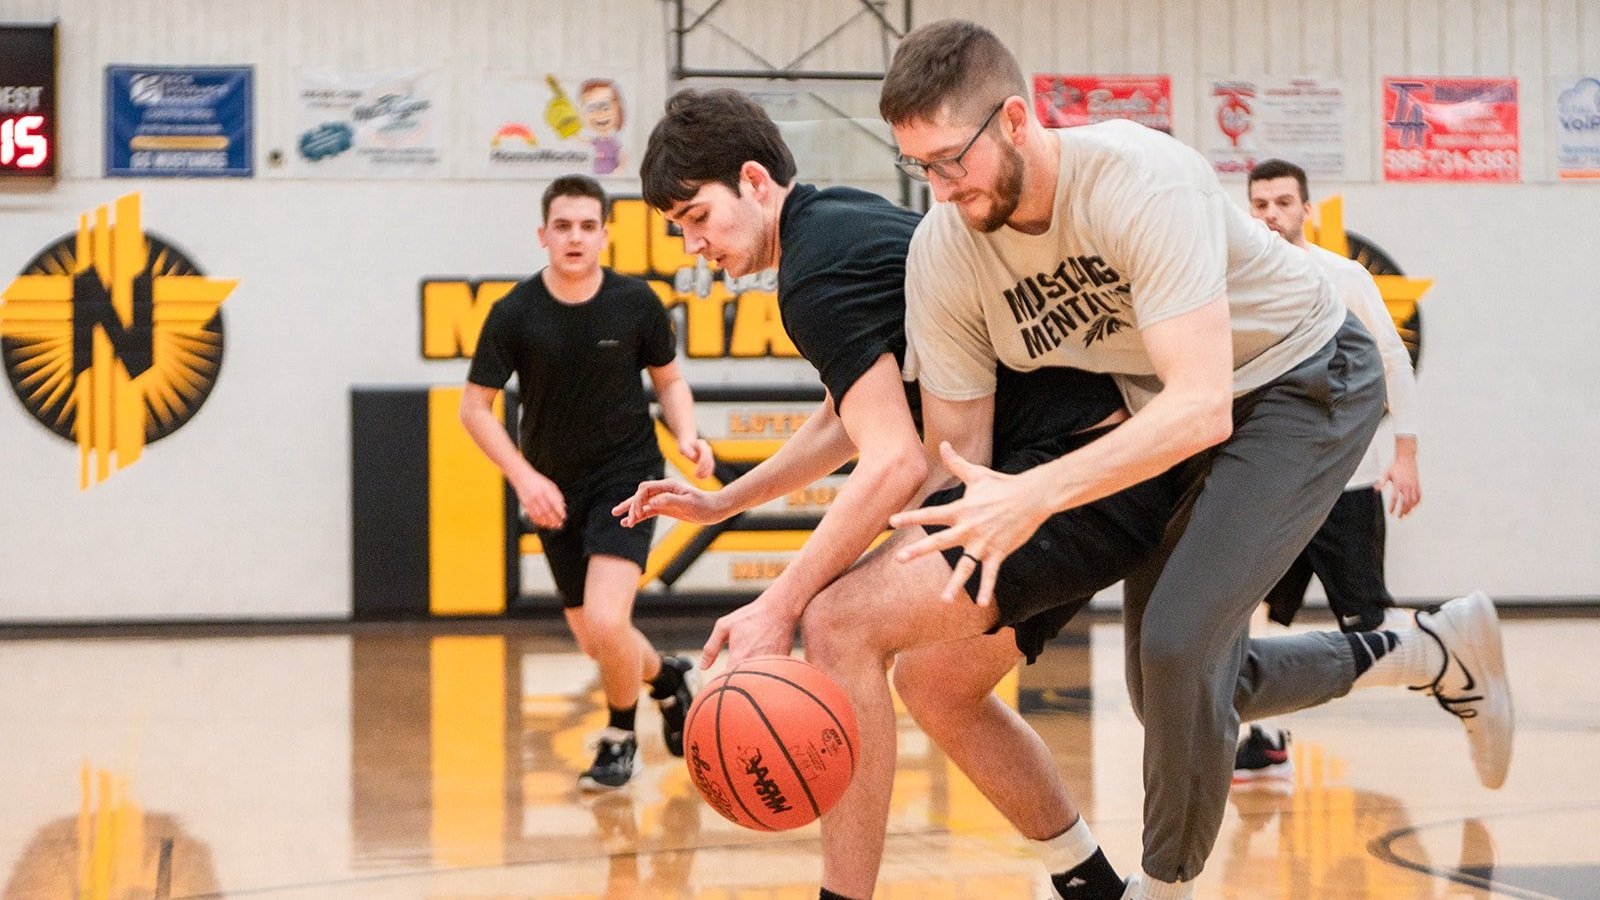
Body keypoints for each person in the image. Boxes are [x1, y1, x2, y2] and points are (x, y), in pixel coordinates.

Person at [877, 20, 1513, 900]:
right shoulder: (944, 252)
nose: (942, 189)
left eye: (953, 160)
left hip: (1301, 378)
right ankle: (1432, 651)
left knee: (1179, 647)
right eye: (922, 168)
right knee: (1174, 692)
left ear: (1015, 121)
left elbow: (1200, 402)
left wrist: (1034, 497)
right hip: (1174, 418)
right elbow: (964, 459)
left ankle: (1165, 887)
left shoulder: (1138, 176)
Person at [618, 87, 1183, 899]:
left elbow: (894, 466)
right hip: (1084, 467)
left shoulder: (814, 274)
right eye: (679, 230)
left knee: (835, 621)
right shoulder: (835, 223)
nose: (693, 242)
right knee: (935, 685)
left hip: (1072, 473)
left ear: (751, 180)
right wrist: (720, 503)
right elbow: (849, 426)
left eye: (696, 216)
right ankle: (1092, 886)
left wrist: (778, 603)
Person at [458, 174, 712, 791]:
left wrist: (685, 435)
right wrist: (523, 477)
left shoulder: (636, 303)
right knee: (595, 636)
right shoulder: (513, 313)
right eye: (563, 226)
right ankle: (666, 678)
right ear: (543, 235)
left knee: (606, 618)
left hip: (627, 475)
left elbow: (669, 381)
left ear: (605, 233)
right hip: (553, 486)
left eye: (588, 226)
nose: (575, 237)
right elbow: (473, 409)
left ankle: (620, 737)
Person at [1234, 158, 1425, 783]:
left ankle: (1450, 655)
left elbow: (1394, 362)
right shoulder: (1236, 285)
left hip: (1346, 485)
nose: (1271, 215)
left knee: (1370, 624)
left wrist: (1405, 456)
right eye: (1260, 204)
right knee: (1252, 611)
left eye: (1284, 202)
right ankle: (1265, 741)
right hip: (1274, 490)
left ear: (1306, 211)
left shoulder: (1342, 278)